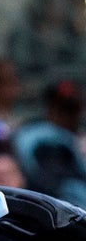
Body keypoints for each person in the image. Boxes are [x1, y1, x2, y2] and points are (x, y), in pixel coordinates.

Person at [12, 79, 86, 208]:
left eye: (72, 110)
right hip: (49, 206)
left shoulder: (79, 139)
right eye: (62, 109)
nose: (67, 115)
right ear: (51, 108)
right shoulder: (34, 137)